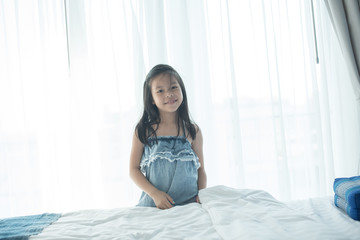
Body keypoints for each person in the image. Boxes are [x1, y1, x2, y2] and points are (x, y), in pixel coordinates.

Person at [129, 64, 207, 209]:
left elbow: (201, 169)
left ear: (182, 90)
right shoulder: (143, 130)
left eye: (173, 87)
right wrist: (154, 193)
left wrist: (201, 195)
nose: (169, 94)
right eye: (160, 90)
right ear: (151, 99)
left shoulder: (193, 130)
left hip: (189, 206)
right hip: (155, 206)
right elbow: (133, 170)